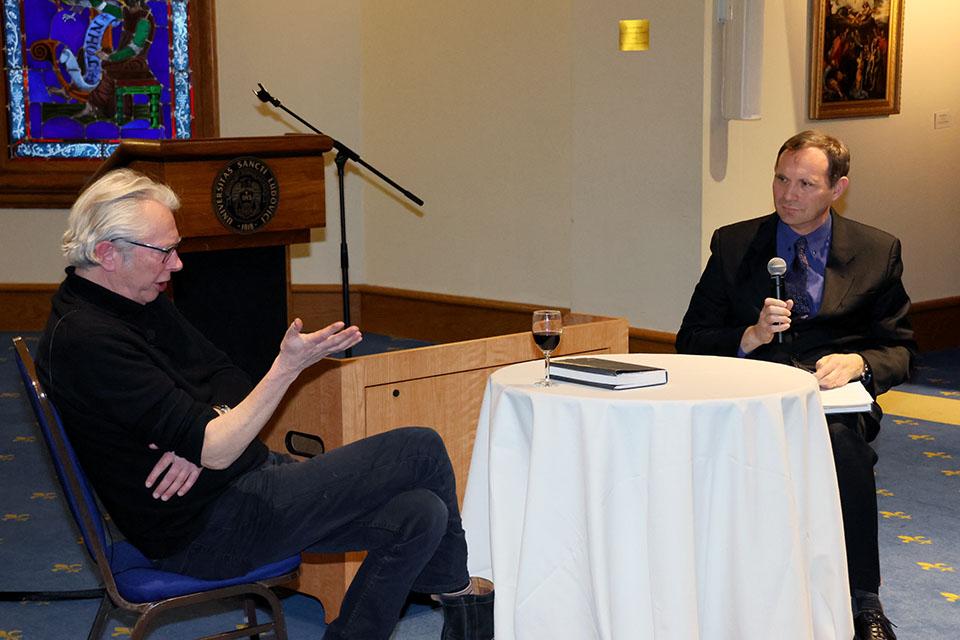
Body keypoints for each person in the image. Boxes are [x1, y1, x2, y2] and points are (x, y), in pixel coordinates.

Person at [36, 168, 494, 640]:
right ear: (108, 253)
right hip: (205, 531)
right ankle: (464, 604)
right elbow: (216, 449)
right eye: (165, 251)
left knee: (421, 514)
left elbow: (224, 374)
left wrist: (202, 432)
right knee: (418, 449)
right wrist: (284, 369)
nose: (177, 265)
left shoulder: (134, 298)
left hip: (240, 486)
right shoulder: (86, 339)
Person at [676, 130, 914, 640]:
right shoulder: (736, 243)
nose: (787, 194)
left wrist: (858, 363)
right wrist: (750, 335)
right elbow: (690, 338)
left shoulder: (876, 250)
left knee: (842, 449)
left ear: (837, 187)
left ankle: (863, 601)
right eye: (781, 179)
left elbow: (901, 349)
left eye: (805, 184)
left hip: (831, 402)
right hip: (746, 395)